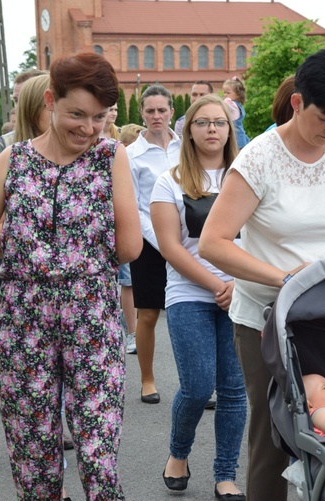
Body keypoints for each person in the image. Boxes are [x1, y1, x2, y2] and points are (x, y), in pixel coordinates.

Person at [200, 48, 325, 501]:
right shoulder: (259, 159)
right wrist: (286, 278)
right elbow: (215, 242)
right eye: (324, 117)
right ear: (296, 103)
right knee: (274, 434)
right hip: (267, 316)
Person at [0, 52, 141, 499]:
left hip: (92, 320)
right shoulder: (14, 160)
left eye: (99, 117)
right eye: (77, 113)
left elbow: (130, 247)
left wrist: (62, 250)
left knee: (98, 456)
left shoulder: (110, 156)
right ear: (51, 101)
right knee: (32, 453)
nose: (89, 127)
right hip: (24, 324)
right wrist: (30, 247)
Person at [151, 95, 247, 500]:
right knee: (196, 385)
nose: (212, 129)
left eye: (220, 122)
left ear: (230, 129)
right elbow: (170, 247)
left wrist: (239, 285)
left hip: (242, 292)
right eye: (203, 122)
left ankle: (225, 473)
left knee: (234, 388)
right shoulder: (168, 180)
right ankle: (178, 452)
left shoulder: (245, 177)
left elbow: (263, 238)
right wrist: (216, 285)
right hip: (189, 292)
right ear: (187, 130)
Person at [127, 85, 182, 404]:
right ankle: (147, 379)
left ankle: (195, 383)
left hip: (186, 238)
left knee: (190, 313)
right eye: (150, 111)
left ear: (172, 112)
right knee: (147, 314)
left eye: (162, 110)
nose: (157, 116)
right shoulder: (132, 155)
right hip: (149, 243)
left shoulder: (185, 147)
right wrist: (162, 241)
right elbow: (133, 205)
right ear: (142, 114)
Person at [118, 123, 146, 355]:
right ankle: (132, 331)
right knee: (128, 281)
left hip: (145, 227)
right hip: (127, 227)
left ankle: (137, 329)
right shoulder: (123, 158)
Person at [0, 68, 46, 165]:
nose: (19, 107)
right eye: (16, 100)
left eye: (26, 99)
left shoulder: (67, 143)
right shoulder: (3, 145)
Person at [222, 77, 250, 148]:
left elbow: (223, 103)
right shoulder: (238, 105)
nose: (225, 95)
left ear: (237, 95)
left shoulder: (231, 104)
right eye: (224, 92)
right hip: (240, 133)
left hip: (236, 135)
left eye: (228, 93)